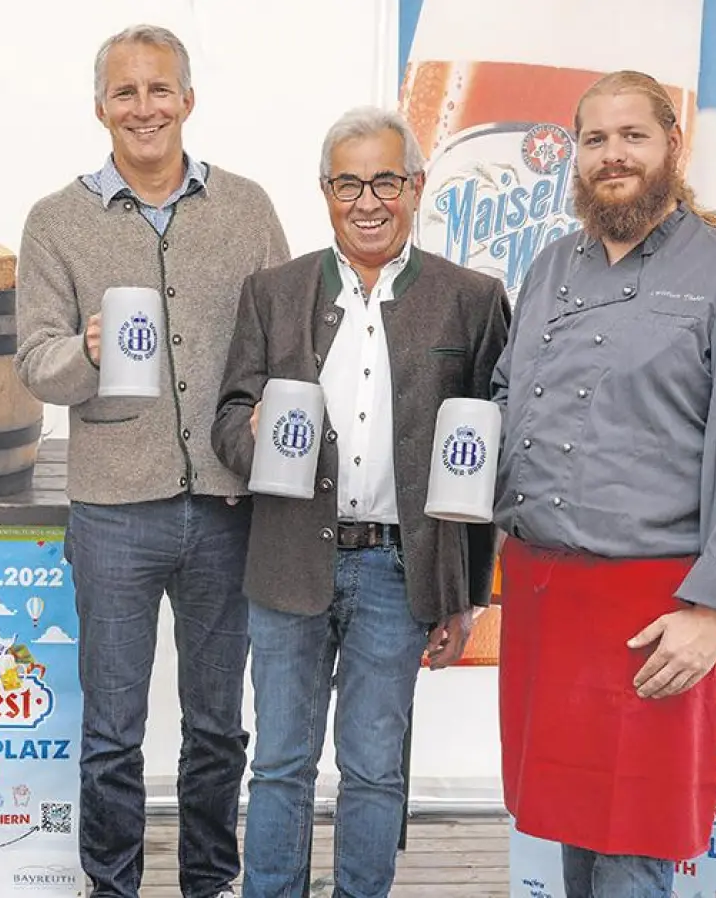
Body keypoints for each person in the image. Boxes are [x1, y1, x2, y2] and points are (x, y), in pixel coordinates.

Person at [492, 70, 716, 898]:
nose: (612, 155)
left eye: (633, 135)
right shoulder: (551, 265)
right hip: (546, 595)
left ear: (674, 144)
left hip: (652, 610)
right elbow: (507, 400)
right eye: (595, 139)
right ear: (576, 154)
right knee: (568, 827)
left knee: (633, 845)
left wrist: (715, 610)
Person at [13, 23, 289, 898]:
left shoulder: (246, 210)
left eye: (159, 89)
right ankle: (113, 884)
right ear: (100, 107)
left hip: (228, 508)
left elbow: (286, 348)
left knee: (217, 727)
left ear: (188, 101)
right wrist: (88, 351)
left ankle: (209, 882)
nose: (144, 107)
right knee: (113, 727)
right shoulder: (55, 222)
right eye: (125, 92)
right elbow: (34, 364)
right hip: (112, 511)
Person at [211, 106, 509, 898]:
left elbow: (482, 463)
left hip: (397, 572)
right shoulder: (274, 293)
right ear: (324, 190)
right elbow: (226, 423)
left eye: (385, 180)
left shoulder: (472, 300)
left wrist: (467, 594)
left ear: (415, 187)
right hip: (287, 563)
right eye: (349, 182)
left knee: (375, 771)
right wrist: (259, 442)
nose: (367, 200)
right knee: (278, 764)